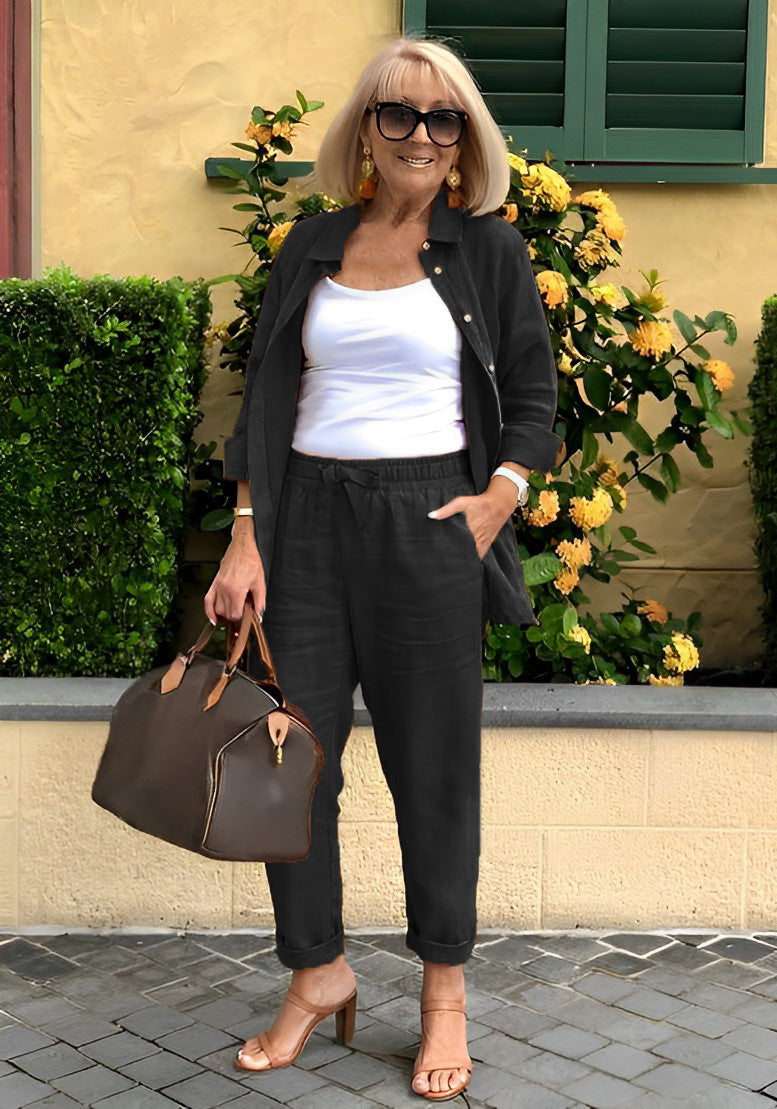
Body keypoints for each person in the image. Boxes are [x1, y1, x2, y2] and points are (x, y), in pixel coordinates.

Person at [204, 35, 561, 1102]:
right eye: (398, 113)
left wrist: (498, 497)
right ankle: (317, 971)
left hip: (428, 521)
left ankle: (444, 989)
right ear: (366, 129)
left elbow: (534, 397)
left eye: (442, 118)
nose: (419, 134)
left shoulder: (487, 251)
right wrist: (246, 533)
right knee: (287, 764)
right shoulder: (313, 245)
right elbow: (266, 399)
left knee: (432, 767)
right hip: (304, 523)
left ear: (464, 140)